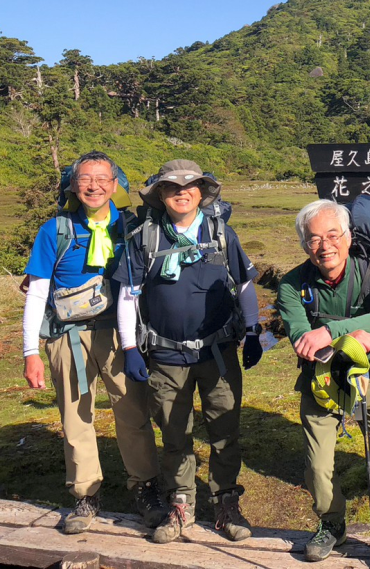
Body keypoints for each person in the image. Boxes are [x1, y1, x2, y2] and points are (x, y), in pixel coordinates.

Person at [114, 159, 263, 544]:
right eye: (172, 187)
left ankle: (226, 502)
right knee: (174, 434)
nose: (182, 192)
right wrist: (130, 347)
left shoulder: (221, 233)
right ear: (160, 194)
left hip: (218, 354)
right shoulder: (144, 238)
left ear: (202, 192)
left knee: (225, 431)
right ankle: (181, 505)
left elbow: (244, 285)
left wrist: (252, 328)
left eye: (190, 186)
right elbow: (128, 297)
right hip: (164, 357)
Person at [22, 150, 166, 534]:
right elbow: (37, 293)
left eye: (103, 179)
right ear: (73, 184)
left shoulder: (132, 227)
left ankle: (146, 489)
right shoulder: (55, 230)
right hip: (66, 337)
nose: (94, 186)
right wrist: (30, 352)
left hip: (122, 334)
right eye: (86, 179)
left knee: (133, 413)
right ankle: (85, 495)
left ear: (115, 184)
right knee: (75, 417)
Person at [277, 199, 370, 569]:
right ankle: (331, 523)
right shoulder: (292, 286)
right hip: (321, 382)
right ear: (305, 245)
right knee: (317, 464)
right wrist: (354, 335)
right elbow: (303, 342)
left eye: (333, 235)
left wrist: (331, 332)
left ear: (349, 237)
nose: (325, 246)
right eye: (314, 239)